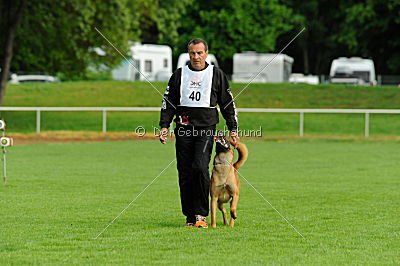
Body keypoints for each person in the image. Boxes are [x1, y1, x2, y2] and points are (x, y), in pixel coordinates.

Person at [159, 38, 239, 228]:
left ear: (206, 53)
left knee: (200, 167)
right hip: (184, 129)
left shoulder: (217, 74)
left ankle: (201, 215)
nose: (196, 57)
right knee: (185, 172)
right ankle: (189, 216)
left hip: (205, 129)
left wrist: (233, 128)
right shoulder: (179, 75)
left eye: (200, 53)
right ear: (189, 54)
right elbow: (168, 103)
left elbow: (227, 103)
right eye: (193, 53)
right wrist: (164, 125)